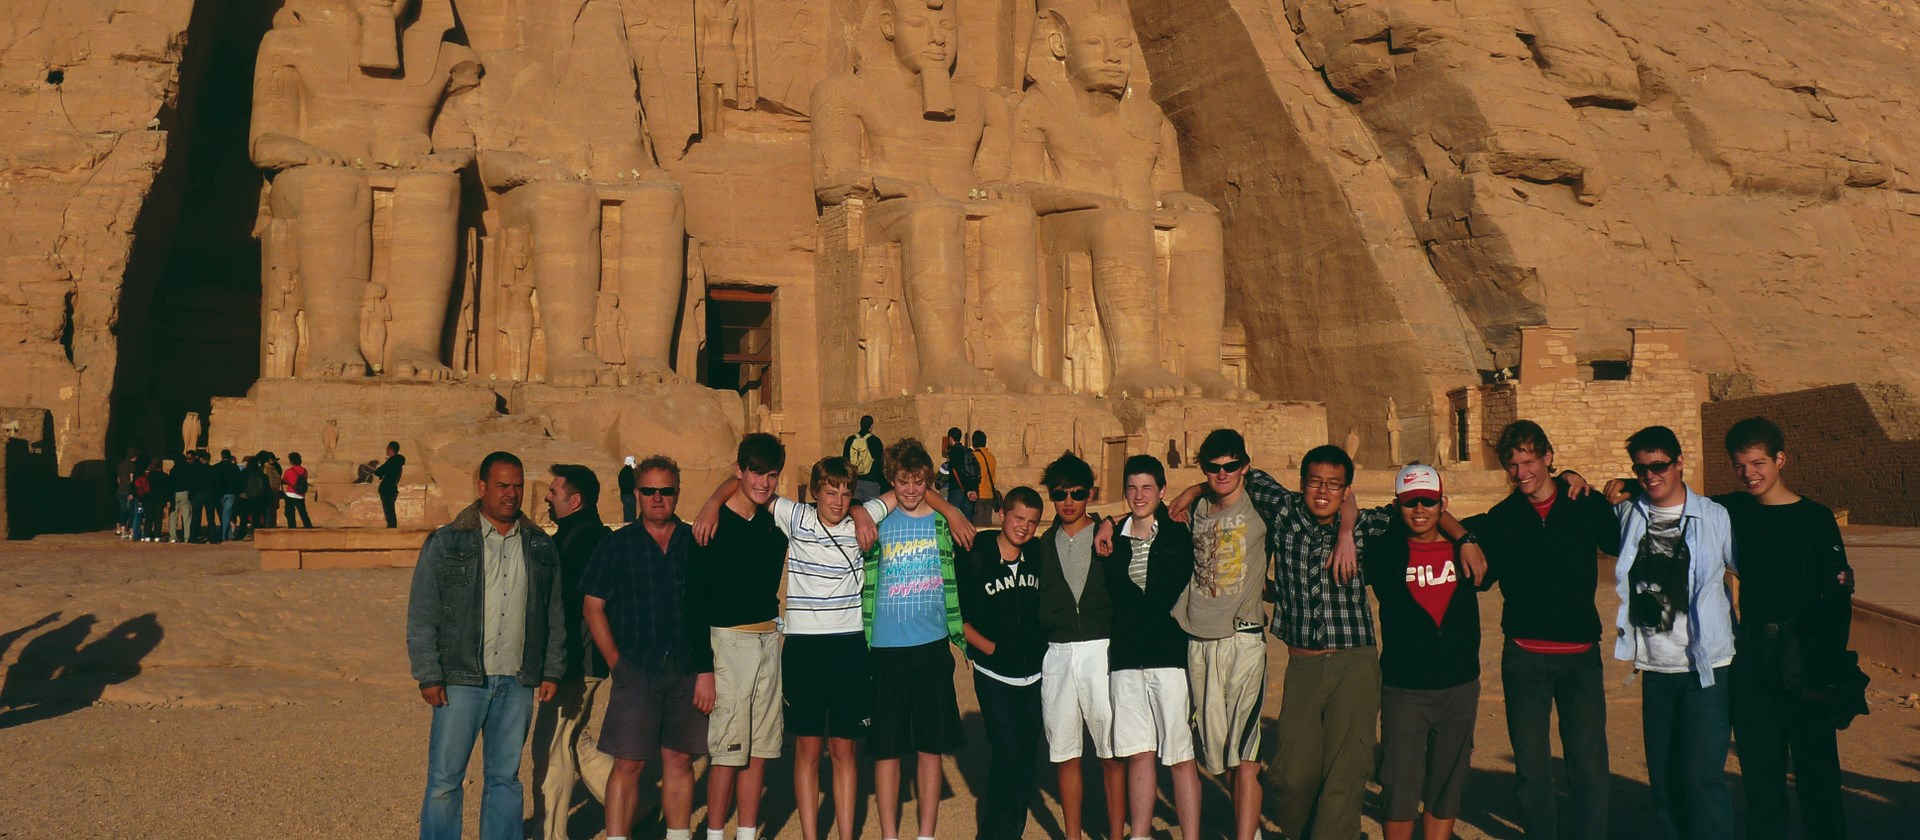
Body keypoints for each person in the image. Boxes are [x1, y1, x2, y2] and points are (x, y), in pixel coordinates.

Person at [693, 455, 964, 840]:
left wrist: (950, 509)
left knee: (844, 752)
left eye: (845, 494)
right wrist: (710, 502)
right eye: (830, 492)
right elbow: (749, 488)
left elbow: (908, 489)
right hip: (804, 649)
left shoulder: (861, 518)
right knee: (806, 750)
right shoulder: (795, 517)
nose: (837, 502)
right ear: (815, 493)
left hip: (849, 647)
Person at [1463, 421, 1617, 840]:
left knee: (1588, 769)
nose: (1520, 472)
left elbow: (1623, 530)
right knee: (1531, 773)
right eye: (1512, 464)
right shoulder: (1502, 518)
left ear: (1548, 457)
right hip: (1524, 659)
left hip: (1580, 657)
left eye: (1528, 461)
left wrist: (1618, 484)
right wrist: (1464, 540)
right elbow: (1475, 565)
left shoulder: (1582, 503)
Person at [406, 451, 566, 840]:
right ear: (482, 487)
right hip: (462, 678)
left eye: (517, 486)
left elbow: (554, 612)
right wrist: (428, 673)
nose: (510, 494)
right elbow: (423, 611)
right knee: (445, 780)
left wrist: (551, 669)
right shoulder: (447, 541)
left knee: (505, 779)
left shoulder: (541, 546)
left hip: (517, 680)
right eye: (502, 485)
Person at [1715, 417, 1855, 840]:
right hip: (1753, 656)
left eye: (1758, 463)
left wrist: (1828, 667)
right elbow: (1673, 497)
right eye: (1740, 466)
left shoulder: (1815, 518)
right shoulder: (1734, 510)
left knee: (1817, 774)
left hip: (1805, 653)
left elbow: (1837, 600)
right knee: (1760, 774)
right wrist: (1618, 484)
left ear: (1780, 460)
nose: (1749, 474)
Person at [1604, 425, 1737, 840]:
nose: (1649, 475)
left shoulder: (1714, 517)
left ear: (1680, 463)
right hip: (1656, 667)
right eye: (1640, 468)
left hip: (1706, 667)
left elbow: (1748, 566)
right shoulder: (1628, 513)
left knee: (1702, 780)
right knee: (1664, 783)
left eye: (1659, 465)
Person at [582, 455, 709, 840]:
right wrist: (616, 662)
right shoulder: (616, 545)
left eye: (666, 491)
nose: (658, 498)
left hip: (686, 666)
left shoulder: (695, 542)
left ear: (677, 493)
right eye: (650, 490)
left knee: (679, 760)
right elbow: (593, 605)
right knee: (628, 764)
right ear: (636, 493)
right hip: (636, 666)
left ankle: (677, 835)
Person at [1362, 465, 1485, 840]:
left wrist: (1464, 536)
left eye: (1428, 502)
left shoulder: (1469, 549)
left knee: (1447, 785)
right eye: (1410, 502)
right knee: (1400, 785)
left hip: (1460, 687)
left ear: (1442, 503)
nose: (1420, 509)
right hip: (1405, 689)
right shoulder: (1384, 550)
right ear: (1397, 504)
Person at [863, 437, 969, 840]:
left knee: (930, 747)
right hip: (886, 648)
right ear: (892, 480)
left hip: (931, 646)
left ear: (928, 480)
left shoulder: (943, 522)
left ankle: (926, 834)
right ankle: (890, 834)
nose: (910, 489)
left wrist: (953, 510)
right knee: (887, 749)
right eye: (903, 481)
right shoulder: (877, 521)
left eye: (918, 481)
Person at [691, 434, 791, 840]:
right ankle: (716, 834)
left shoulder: (776, 521)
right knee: (728, 753)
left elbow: (830, 504)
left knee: (761, 750)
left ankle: (747, 834)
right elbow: (694, 603)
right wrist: (703, 669)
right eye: (755, 473)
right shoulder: (710, 526)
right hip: (727, 643)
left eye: (771, 475)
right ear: (739, 471)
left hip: (769, 639)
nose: (763, 483)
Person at [1104, 455, 1200, 840]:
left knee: (1179, 754)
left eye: (1147, 488)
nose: (1139, 496)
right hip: (1126, 658)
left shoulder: (1180, 534)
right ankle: (1140, 835)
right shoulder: (1111, 540)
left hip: (1169, 657)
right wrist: (1107, 524)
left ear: (1162, 491)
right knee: (1138, 753)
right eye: (1132, 488)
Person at [1036, 451, 1125, 840]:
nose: (1068, 502)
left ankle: (1117, 833)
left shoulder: (1110, 536)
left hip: (1100, 650)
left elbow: (1156, 511)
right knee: (1065, 754)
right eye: (1059, 494)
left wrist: (1110, 521)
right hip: (1057, 653)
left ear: (1090, 493)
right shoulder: (1042, 543)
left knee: (1110, 752)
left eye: (1075, 493)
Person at [957, 486, 1047, 840]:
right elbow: (956, 610)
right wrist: (988, 648)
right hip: (994, 672)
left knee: (1026, 756)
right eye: (1018, 518)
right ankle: (994, 833)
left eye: (1032, 521)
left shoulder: (1037, 555)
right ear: (1003, 515)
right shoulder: (976, 552)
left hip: (1033, 674)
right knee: (1007, 750)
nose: (1023, 527)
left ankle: (1015, 830)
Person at [531, 463, 615, 840]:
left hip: (576, 660)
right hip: (579, 657)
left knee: (551, 746)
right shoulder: (576, 534)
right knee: (575, 741)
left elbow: (576, 607)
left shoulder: (583, 540)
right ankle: (639, 806)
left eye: (554, 492)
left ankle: (551, 834)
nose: (547, 497)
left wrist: (556, 665)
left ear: (575, 500)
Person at [843, 415, 886, 503]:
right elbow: (880, 463)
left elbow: (845, 462)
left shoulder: (850, 440)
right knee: (872, 512)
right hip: (871, 482)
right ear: (871, 426)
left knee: (855, 509)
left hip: (854, 482)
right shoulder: (875, 441)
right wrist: (883, 483)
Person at [944, 426, 980, 525]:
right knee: (968, 520)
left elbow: (956, 472)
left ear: (950, 438)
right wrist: (970, 490)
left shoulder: (954, 451)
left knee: (953, 519)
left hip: (957, 489)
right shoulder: (966, 450)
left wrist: (963, 488)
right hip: (968, 490)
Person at [213, 449, 243, 543]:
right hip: (231, 493)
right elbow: (239, 482)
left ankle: (224, 535)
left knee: (223, 514)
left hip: (219, 494)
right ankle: (226, 535)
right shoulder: (234, 468)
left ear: (221, 456)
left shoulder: (216, 467)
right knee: (227, 514)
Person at [971, 430, 998, 527]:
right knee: (987, 525)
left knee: (977, 525)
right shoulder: (991, 457)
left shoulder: (974, 456)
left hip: (978, 494)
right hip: (989, 495)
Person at [378, 441, 407, 528]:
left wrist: (380, 473)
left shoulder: (393, 461)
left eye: (387, 448)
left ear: (390, 449)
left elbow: (380, 470)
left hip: (388, 489)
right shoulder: (397, 462)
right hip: (391, 489)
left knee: (389, 512)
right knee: (390, 511)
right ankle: (392, 528)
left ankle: (392, 529)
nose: (386, 449)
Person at [283, 452, 313, 528]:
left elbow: (286, 480)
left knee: (290, 513)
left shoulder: (289, 471)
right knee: (303, 513)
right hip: (301, 495)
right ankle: (308, 526)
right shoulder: (304, 471)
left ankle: (292, 527)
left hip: (290, 494)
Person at [617, 455, 638, 523]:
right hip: (630, 495)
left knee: (627, 514)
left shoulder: (622, 471)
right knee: (631, 515)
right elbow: (633, 483)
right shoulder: (630, 472)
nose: (635, 463)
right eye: (634, 461)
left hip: (624, 495)